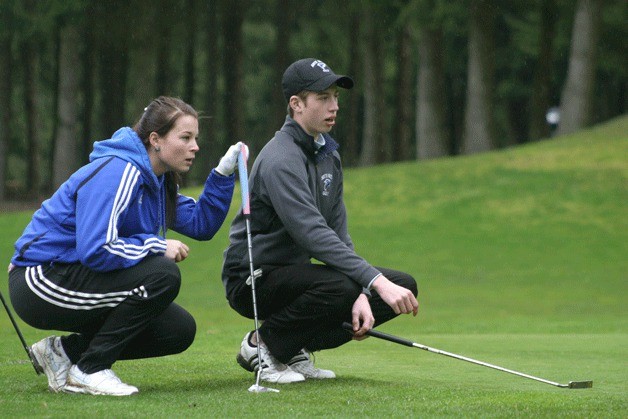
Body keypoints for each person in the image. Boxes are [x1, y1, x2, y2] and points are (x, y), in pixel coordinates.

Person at [8, 96, 242, 396]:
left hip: (72, 275)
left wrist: (222, 174)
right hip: (39, 281)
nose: (195, 146)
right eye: (185, 137)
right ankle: (90, 370)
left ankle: (63, 353)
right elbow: (97, 249)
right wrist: (155, 245)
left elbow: (201, 224)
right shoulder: (119, 170)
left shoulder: (156, 182)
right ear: (155, 139)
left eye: (195, 138)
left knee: (177, 329)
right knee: (163, 273)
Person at [221, 58, 419, 384]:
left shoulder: (328, 152)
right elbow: (311, 233)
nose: (334, 106)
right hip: (253, 278)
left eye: (336, 97)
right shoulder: (280, 158)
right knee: (353, 286)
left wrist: (363, 290)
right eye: (323, 98)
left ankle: (290, 347)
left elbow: (337, 229)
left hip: (294, 277)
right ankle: (263, 346)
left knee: (403, 286)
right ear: (296, 105)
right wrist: (371, 283)